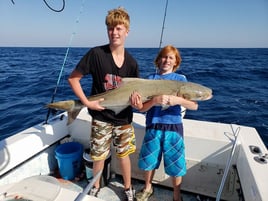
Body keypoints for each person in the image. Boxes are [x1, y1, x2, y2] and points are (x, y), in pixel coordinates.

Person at [68, 7, 139, 201]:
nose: (114, 32)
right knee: (98, 156)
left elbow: (136, 94)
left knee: (124, 156)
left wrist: (137, 102)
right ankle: (95, 186)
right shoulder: (96, 54)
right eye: (110, 28)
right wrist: (86, 103)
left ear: (127, 31)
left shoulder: (132, 63)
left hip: (124, 118)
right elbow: (73, 79)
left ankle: (127, 188)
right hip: (100, 117)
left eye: (118, 28)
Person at [131, 45, 198, 201]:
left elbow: (194, 105)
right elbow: (141, 109)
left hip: (174, 127)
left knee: (176, 165)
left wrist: (177, 100)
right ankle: (148, 187)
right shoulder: (149, 79)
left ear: (176, 62)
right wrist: (154, 100)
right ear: (158, 60)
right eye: (164, 56)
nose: (167, 60)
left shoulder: (181, 80)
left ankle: (176, 195)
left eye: (171, 58)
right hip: (153, 125)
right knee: (149, 161)